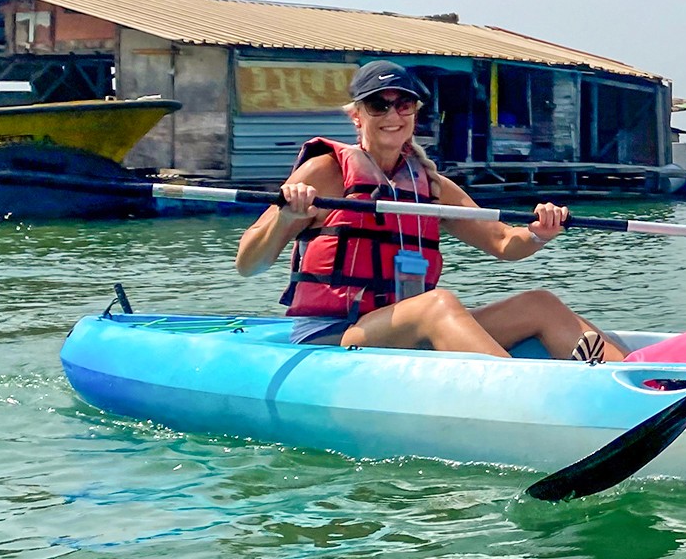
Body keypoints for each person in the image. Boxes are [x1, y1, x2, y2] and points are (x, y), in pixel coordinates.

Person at [236, 60, 626, 361]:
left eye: (403, 104)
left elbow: (506, 242)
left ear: (415, 112)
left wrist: (540, 231)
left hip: (410, 325)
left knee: (539, 303)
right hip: (334, 336)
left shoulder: (429, 184)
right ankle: (523, 395)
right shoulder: (326, 173)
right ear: (357, 116)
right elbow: (247, 263)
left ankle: (639, 383)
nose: (393, 115)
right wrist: (288, 216)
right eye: (378, 105)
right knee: (437, 305)